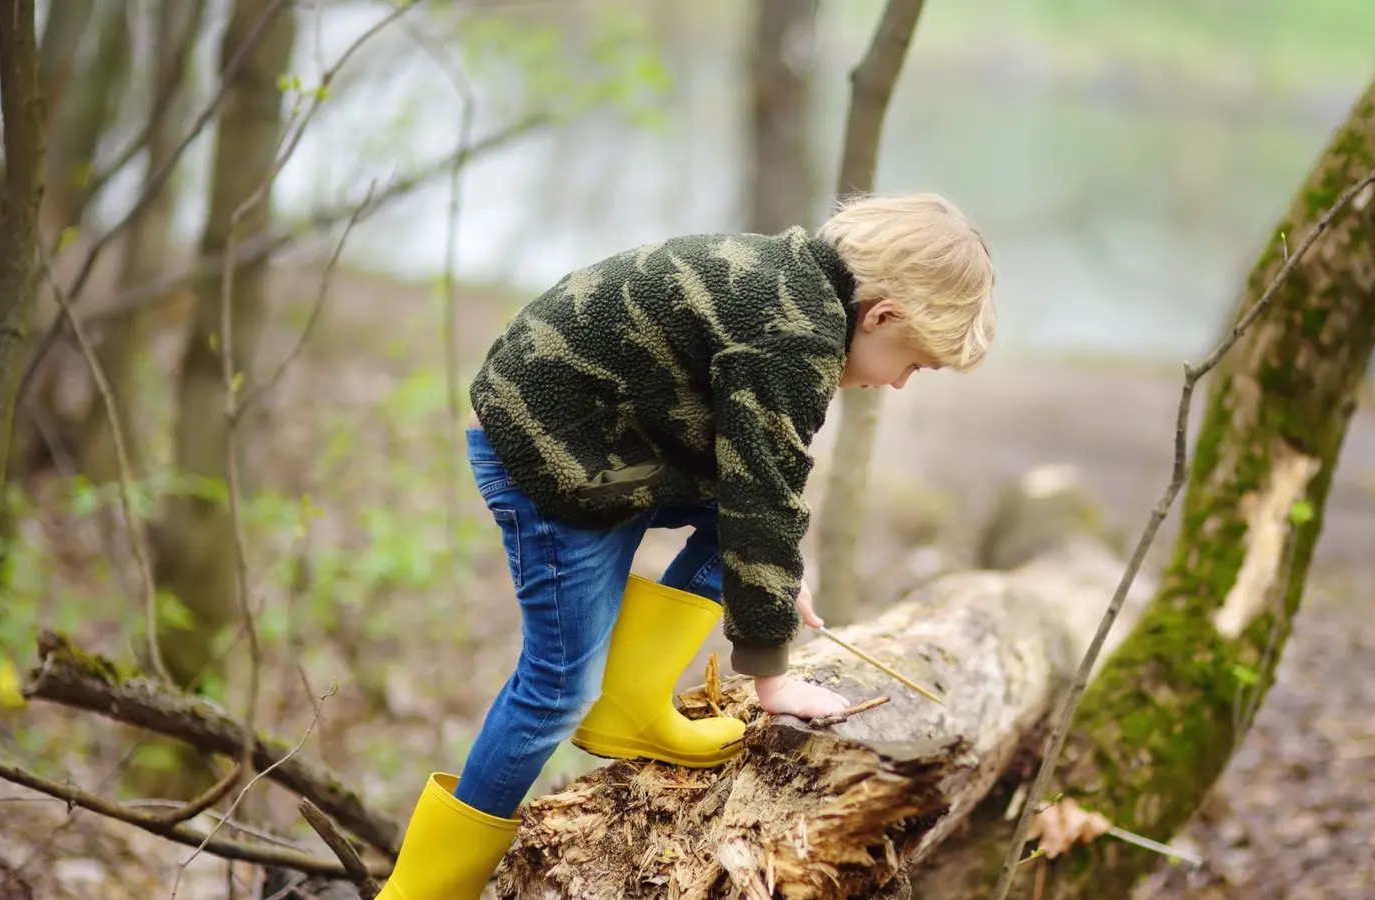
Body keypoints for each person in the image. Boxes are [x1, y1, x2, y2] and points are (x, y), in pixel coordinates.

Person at [372, 192, 997, 899]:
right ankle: (423, 892)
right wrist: (773, 675)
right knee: (554, 688)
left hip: (612, 438)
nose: (896, 383)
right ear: (881, 317)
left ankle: (630, 706)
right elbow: (760, 495)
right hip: (553, 455)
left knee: (754, 529)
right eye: (910, 365)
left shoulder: (794, 284)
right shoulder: (794, 341)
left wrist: (777, 574)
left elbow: (761, 493)